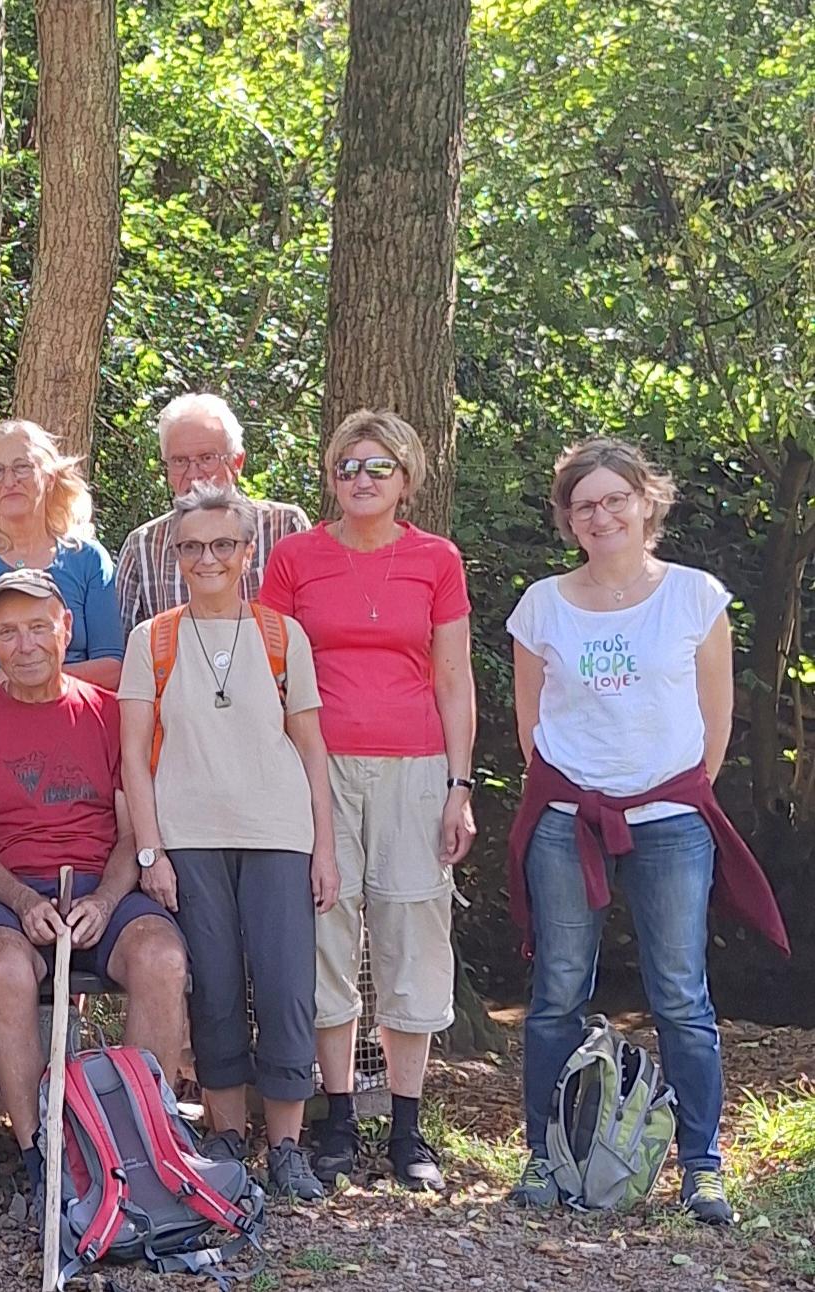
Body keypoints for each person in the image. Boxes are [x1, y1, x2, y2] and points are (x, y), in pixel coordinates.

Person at [505, 439, 786, 1226]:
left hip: (670, 822)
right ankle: (545, 1156)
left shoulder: (695, 596)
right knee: (557, 992)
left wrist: (671, 791)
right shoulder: (542, 606)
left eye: (614, 499)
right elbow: (531, 725)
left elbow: (716, 717)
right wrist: (577, 789)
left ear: (645, 502)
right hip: (569, 822)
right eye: (584, 505)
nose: (602, 516)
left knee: (681, 995)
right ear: (568, 520)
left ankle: (702, 1168)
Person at [260, 409, 476, 1193]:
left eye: (378, 466)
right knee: (325, 932)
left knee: (411, 933)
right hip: (315, 768)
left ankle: (408, 1128)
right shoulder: (295, 557)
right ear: (331, 477)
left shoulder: (436, 559)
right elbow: (269, 670)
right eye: (347, 466)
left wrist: (459, 786)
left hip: (417, 768)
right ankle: (340, 1120)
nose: (360, 479)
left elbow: (453, 678)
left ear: (406, 479)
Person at [0, 568, 190, 1221]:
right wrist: (23, 903)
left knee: (162, 957)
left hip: (102, 885)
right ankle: (43, 1155)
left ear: (67, 629)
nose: (24, 645)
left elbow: (131, 832)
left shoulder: (109, 713)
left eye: (37, 628)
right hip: (11, 892)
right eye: (7, 633)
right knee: (1, 967)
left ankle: (141, 1146)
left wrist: (106, 902)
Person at [115, 485, 337, 1201]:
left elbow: (311, 748)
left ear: (247, 553)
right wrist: (151, 851)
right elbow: (133, 755)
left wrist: (325, 848)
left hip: (279, 834)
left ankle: (288, 1147)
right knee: (211, 986)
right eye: (191, 547)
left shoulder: (282, 636)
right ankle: (225, 1137)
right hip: (188, 839)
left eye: (221, 545)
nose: (206, 558)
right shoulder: (153, 639)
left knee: (284, 987)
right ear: (175, 556)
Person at [0, 419, 122, 702]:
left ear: (49, 477)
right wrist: (16, 688)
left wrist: (28, 681)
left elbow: (111, 667)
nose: (9, 481)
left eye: (22, 467)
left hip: (73, 712)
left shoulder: (89, 559)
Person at [112, 393, 311, 631]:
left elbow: (313, 628)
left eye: (207, 458)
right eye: (179, 461)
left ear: (237, 462)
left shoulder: (284, 527)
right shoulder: (143, 546)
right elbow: (121, 645)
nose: (194, 474)